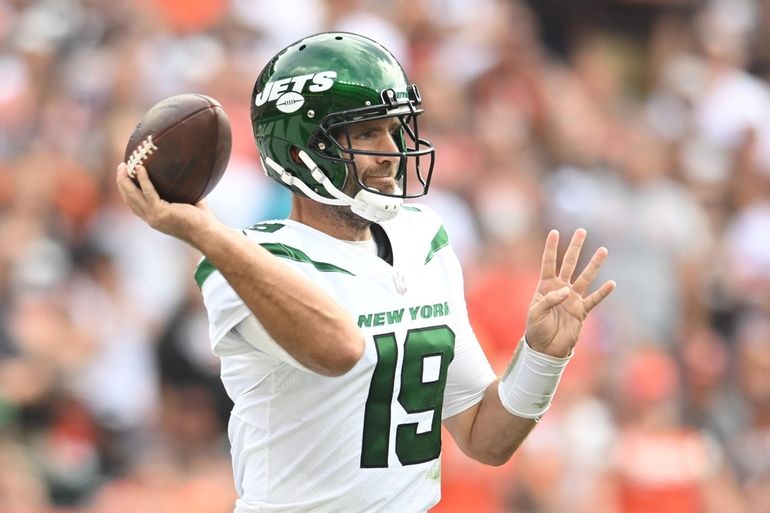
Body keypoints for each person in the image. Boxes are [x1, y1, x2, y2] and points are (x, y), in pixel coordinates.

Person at [115, 32, 615, 513]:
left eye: (394, 130)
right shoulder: (244, 260)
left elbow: (486, 438)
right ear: (302, 151)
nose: (393, 152)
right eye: (368, 133)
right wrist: (206, 232)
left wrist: (543, 356)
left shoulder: (422, 237)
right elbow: (338, 349)